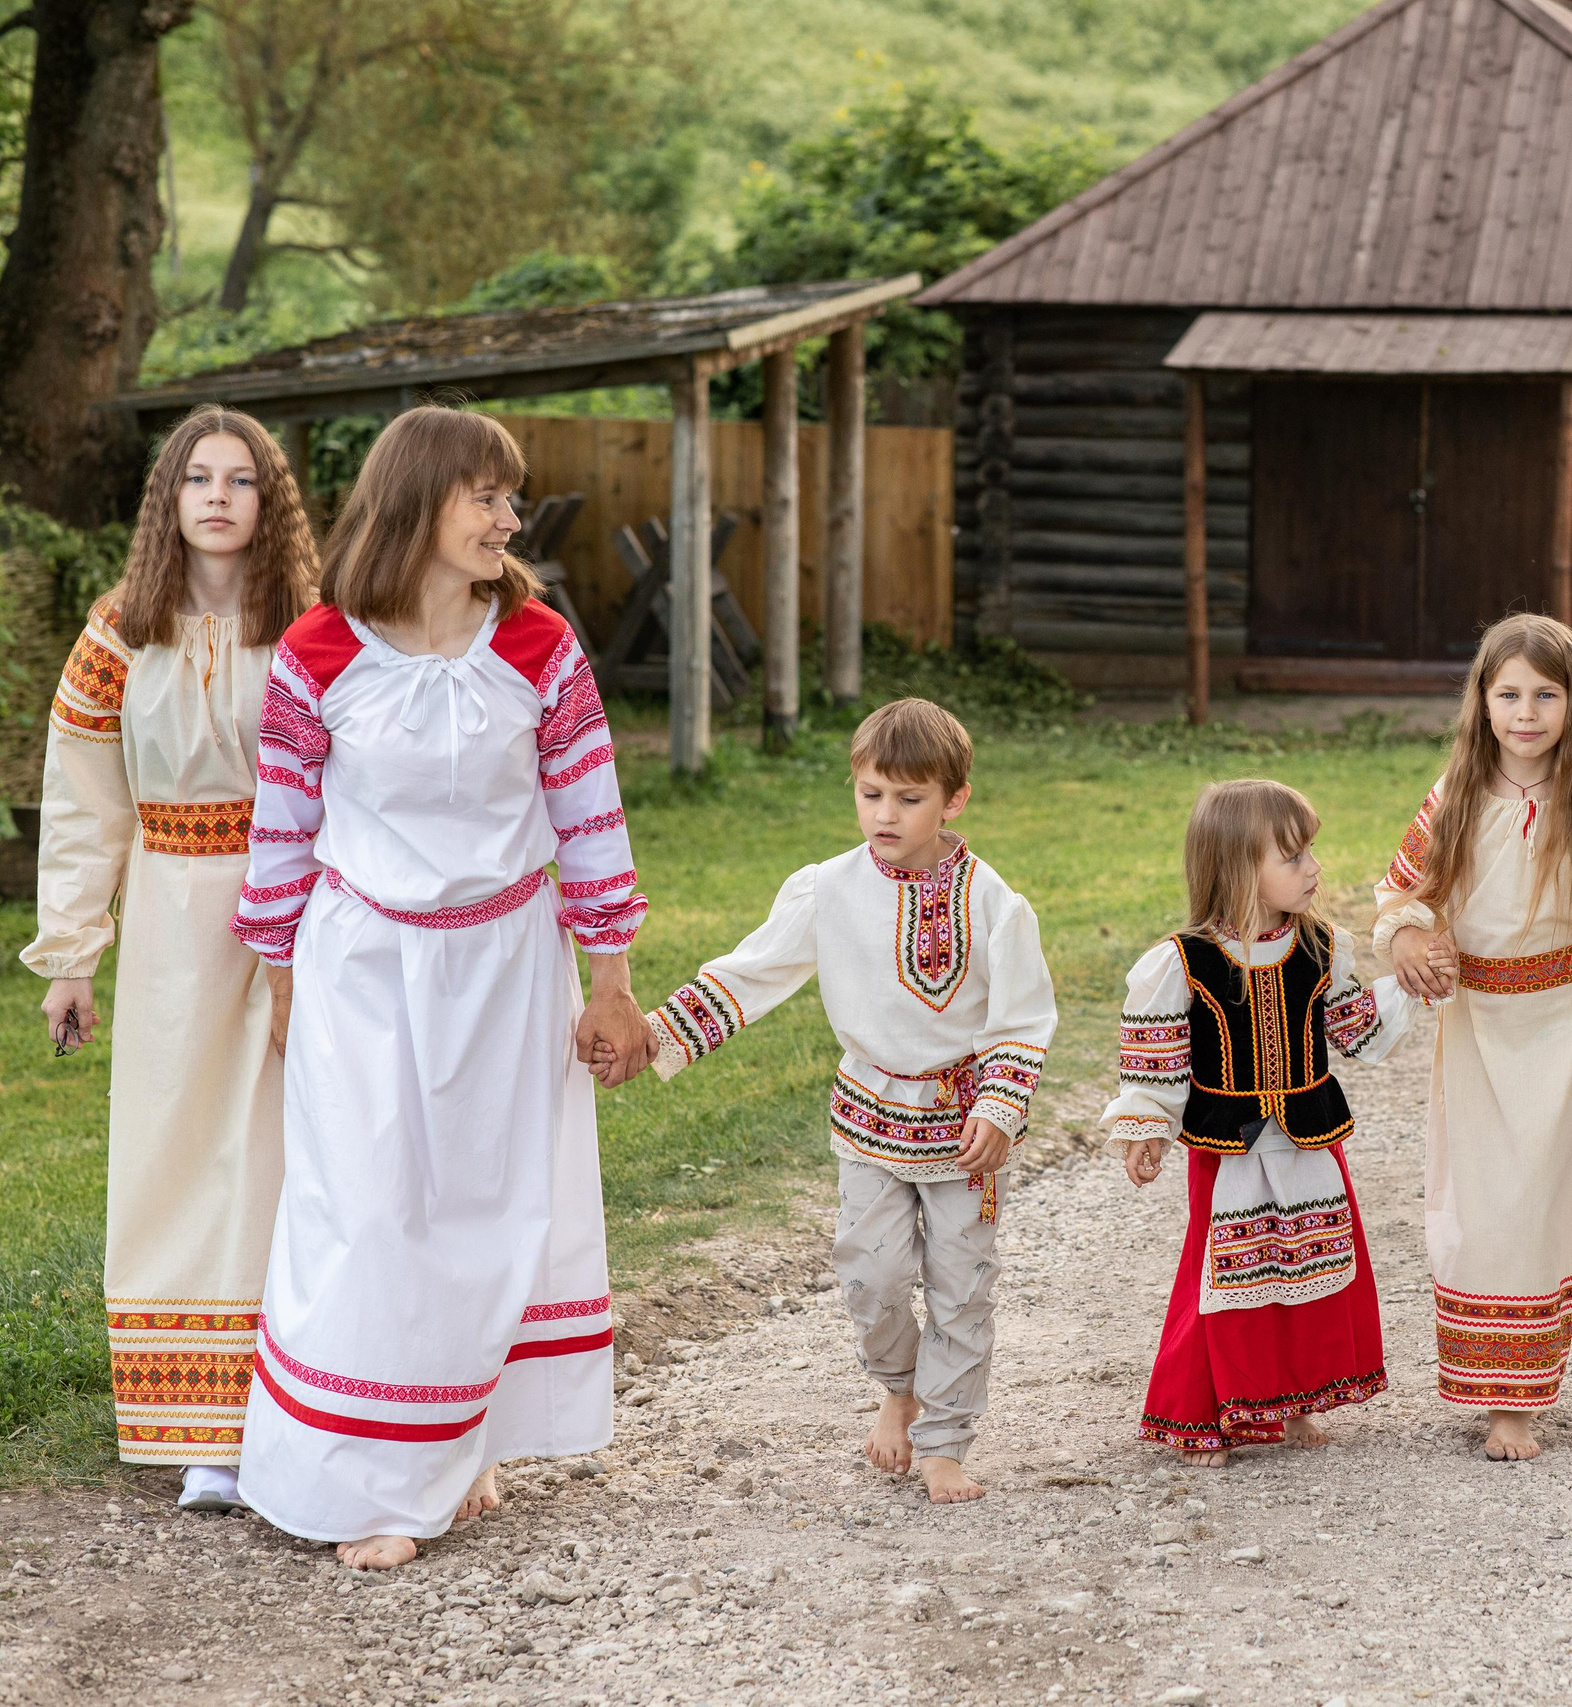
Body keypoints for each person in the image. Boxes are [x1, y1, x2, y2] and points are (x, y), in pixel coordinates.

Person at [229, 406, 655, 1568]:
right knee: (368, 1206)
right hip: (362, 964)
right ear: (418, 502)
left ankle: (462, 1443)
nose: (508, 520)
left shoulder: (539, 647)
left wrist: (608, 984)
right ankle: (367, 1481)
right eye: (487, 496)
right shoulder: (318, 652)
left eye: (511, 498)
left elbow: (590, 821)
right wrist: (279, 981)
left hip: (510, 965)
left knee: (489, 1204)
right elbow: (281, 830)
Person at [638, 698, 1056, 1504]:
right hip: (867, 1120)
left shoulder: (993, 902)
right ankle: (898, 1384)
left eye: (908, 797)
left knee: (963, 1282)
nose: (885, 813)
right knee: (872, 1276)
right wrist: (657, 1035)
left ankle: (943, 1441)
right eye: (870, 794)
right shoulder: (827, 888)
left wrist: (1002, 1108)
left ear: (954, 799)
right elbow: (751, 971)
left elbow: (1025, 1013)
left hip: (965, 1126)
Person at [24, 407, 319, 1510]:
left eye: (240, 480)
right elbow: (83, 798)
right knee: (178, 1144)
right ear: (168, 499)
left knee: (288, 1149)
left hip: (296, 914)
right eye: (196, 477)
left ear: (268, 501)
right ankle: (207, 1432)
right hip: (166, 921)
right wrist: (71, 954)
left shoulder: (312, 628)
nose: (216, 496)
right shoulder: (120, 629)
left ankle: (298, 1409)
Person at [1375, 613, 1572, 1461]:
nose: (1527, 712)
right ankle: (1485, 1382)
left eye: (1546, 693)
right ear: (1483, 700)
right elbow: (1403, 897)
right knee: (1478, 1204)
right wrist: (1406, 940)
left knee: (1539, 1205)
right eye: (1509, 693)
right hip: (1476, 1026)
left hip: (1565, 1025)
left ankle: (1520, 1401)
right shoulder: (1453, 795)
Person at [1104, 780, 1415, 1468]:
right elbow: (1155, 1062)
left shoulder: (1321, 948)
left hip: (1308, 1136)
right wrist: (1146, 1129)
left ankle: (1296, 1400)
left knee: (1310, 1262)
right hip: (1230, 1148)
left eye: (1311, 852)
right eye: (1295, 855)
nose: (1314, 869)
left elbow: (1356, 1032)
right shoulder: (1184, 963)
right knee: (1225, 1276)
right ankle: (1207, 1411)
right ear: (1241, 867)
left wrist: (1411, 983)